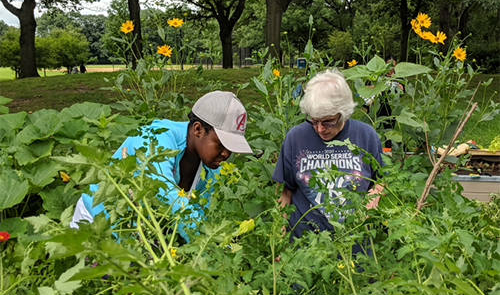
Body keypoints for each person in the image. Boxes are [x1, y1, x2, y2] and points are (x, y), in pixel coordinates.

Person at [70, 91, 253, 241]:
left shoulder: (210, 169)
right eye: (221, 145)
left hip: (141, 236)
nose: (226, 155)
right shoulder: (156, 138)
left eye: (230, 148)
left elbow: (200, 215)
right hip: (98, 222)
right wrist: (210, 246)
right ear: (198, 129)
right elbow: (165, 194)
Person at [272, 69, 384, 245]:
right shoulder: (296, 138)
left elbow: (382, 179)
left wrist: (375, 195)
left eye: (328, 121)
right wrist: (279, 238)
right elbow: (283, 191)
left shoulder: (366, 136)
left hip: (354, 247)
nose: (320, 129)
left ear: (344, 112)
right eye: (314, 121)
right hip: (304, 249)